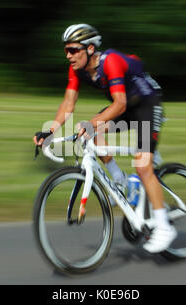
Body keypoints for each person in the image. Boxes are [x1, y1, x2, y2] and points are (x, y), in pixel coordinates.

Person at [33, 24, 176, 253]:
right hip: (127, 106)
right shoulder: (77, 70)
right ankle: (118, 180)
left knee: (142, 166)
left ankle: (164, 227)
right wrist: (50, 131)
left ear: (90, 49)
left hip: (148, 103)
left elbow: (119, 104)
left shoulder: (110, 62)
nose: (68, 55)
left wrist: (94, 122)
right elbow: (68, 103)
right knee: (92, 130)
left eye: (73, 49)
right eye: (66, 50)